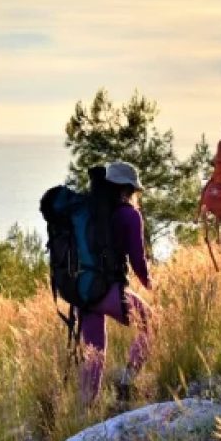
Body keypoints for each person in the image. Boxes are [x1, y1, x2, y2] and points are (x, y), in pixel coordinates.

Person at [78, 162, 153, 406]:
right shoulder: (130, 215)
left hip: (83, 291)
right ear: (127, 189)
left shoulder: (88, 212)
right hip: (109, 291)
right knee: (151, 322)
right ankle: (127, 380)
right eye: (133, 191)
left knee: (94, 354)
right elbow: (137, 259)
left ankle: (85, 411)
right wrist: (149, 283)